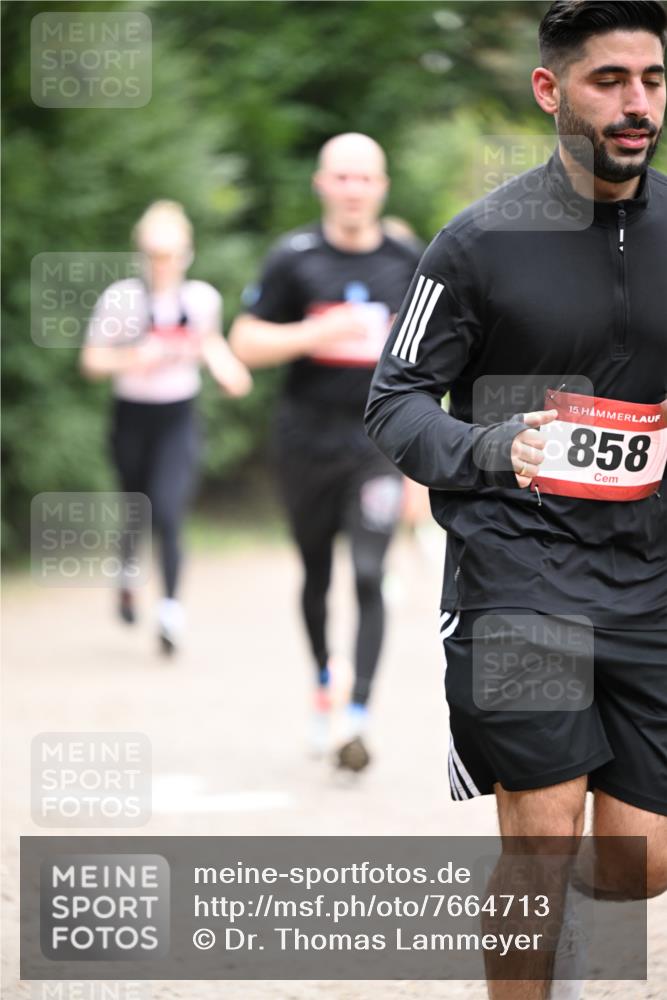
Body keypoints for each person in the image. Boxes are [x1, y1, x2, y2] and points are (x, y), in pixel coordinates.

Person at [366, 2, 666, 997]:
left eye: (651, 81)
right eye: (608, 81)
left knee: (637, 865)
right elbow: (394, 403)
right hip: (516, 569)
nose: (635, 104)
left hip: (648, 575)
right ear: (549, 90)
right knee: (538, 847)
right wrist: (493, 445)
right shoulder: (476, 243)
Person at [229, 133, 421, 770]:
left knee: (368, 574)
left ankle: (358, 713)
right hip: (305, 441)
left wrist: (429, 461)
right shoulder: (294, 258)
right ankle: (322, 684)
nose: (353, 189)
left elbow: (434, 358)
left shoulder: (408, 259)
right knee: (316, 574)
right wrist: (318, 330)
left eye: (364, 178)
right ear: (321, 184)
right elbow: (245, 342)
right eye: (341, 177)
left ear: (381, 186)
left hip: (377, 446)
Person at [80, 200, 251, 654]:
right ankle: (126, 573)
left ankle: (171, 610)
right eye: (155, 253)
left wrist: (228, 369)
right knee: (135, 507)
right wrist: (131, 358)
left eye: (172, 253)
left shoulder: (201, 300)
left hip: (178, 415)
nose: (163, 263)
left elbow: (210, 342)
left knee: (170, 511)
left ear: (187, 253)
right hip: (132, 416)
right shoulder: (120, 299)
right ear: (141, 254)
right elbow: (92, 360)